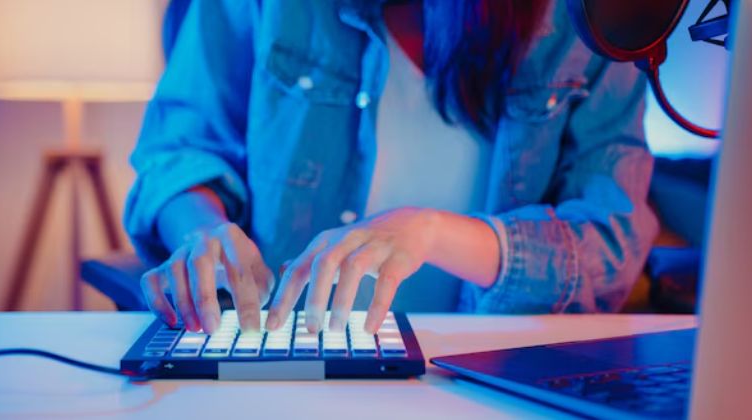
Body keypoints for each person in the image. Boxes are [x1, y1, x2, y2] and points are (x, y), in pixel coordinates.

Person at [125, 0, 658, 336]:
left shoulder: (591, 22)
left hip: (487, 374)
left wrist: (435, 233)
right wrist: (201, 230)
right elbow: (178, 150)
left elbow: (613, 242)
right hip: (282, 358)